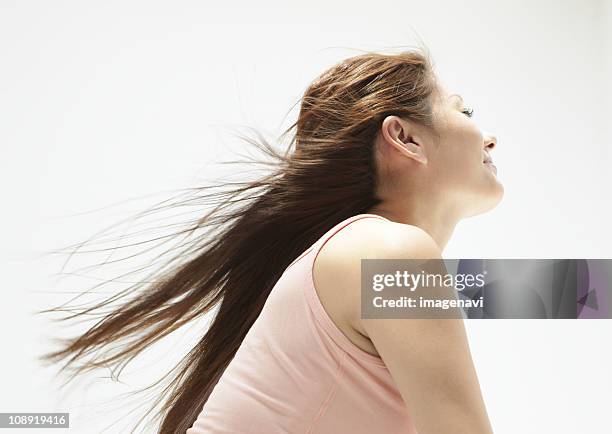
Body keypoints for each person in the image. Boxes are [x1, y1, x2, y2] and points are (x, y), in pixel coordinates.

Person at [40, 47, 501, 434]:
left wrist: (568, 293)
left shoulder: (359, 260)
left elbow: (554, 292)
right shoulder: (387, 254)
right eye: (465, 111)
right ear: (405, 138)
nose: (491, 139)